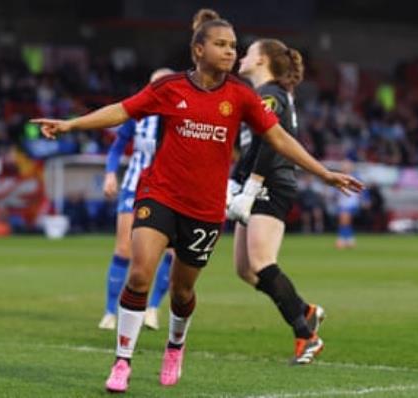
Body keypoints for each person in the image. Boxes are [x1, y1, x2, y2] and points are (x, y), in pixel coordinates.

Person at [31, 8, 363, 393]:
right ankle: (122, 361)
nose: (229, 51)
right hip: (160, 194)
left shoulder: (241, 95)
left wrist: (323, 173)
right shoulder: (170, 87)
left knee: (182, 290)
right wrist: (71, 123)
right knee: (140, 273)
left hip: (204, 209)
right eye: (220, 44)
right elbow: (122, 110)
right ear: (198, 51)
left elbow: (278, 139)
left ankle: (175, 346)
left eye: (233, 46)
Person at [226, 38, 326, 365]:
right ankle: (304, 310)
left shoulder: (270, 95)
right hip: (253, 182)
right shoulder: (262, 94)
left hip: (270, 182)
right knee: (244, 268)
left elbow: (270, 143)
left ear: (262, 60)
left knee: (261, 261)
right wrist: (234, 181)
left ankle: (305, 334)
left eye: (248, 52)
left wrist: (252, 186)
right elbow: (252, 146)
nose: (241, 56)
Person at [99, 68, 175, 331]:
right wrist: (110, 173)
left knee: (171, 252)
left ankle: (152, 308)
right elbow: (118, 145)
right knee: (124, 249)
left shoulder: (181, 117)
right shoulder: (138, 115)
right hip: (134, 186)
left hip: (170, 191)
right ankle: (110, 311)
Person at [334, 160, 361, 249]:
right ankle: (349, 240)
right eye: (344, 166)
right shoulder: (339, 178)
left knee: (344, 220)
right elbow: (335, 192)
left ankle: (342, 240)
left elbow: (361, 189)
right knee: (345, 222)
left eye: (347, 166)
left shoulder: (355, 177)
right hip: (342, 203)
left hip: (351, 203)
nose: (345, 167)